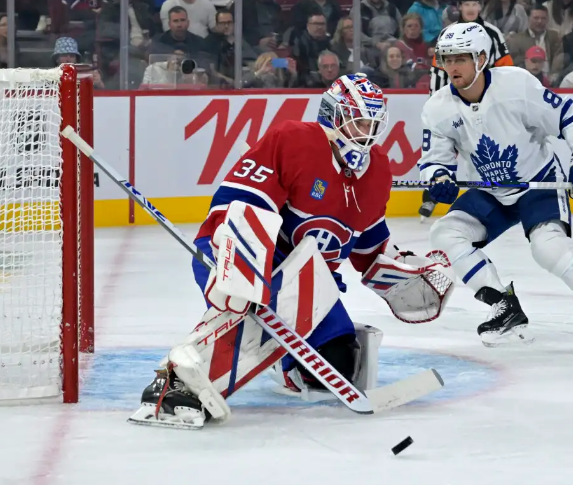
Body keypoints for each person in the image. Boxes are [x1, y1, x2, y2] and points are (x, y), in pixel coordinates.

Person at [128, 74, 453, 428]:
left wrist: (401, 272)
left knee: (339, 364)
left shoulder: (377, 170)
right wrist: (241, 265)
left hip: (313, 286)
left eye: (374, 124)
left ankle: (281, 360)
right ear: (333, 116)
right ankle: (170, 388)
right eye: (359, 122)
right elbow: (237, 206)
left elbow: (368, 242)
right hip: (245, 257)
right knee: (244, 315)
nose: (367, 133)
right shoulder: (293, 141)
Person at [419, 23, 573, 348]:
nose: (452, 66)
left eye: (461, 58)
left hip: (537, 184)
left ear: (481, 58)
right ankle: (503, 306)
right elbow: (434, 160)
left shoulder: (516, 85)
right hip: (488, 191)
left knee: (548, 247)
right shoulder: (437, 108)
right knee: (444, 234)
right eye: (446, 58)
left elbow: (572, 116)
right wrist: (438, 178)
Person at [419, 0, 513, 222]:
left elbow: (506, 68)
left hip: (484, 102)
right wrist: (435, 102)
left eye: (475, 3)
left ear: (480, 6)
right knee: (441, 150)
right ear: (459, 7)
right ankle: (431, 195)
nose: (470, 7)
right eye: (466, 3)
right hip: (452, 100)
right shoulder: (447, 34)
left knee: (483, 150)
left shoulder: (493, 33)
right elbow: (438, 71)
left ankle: (494, 196)